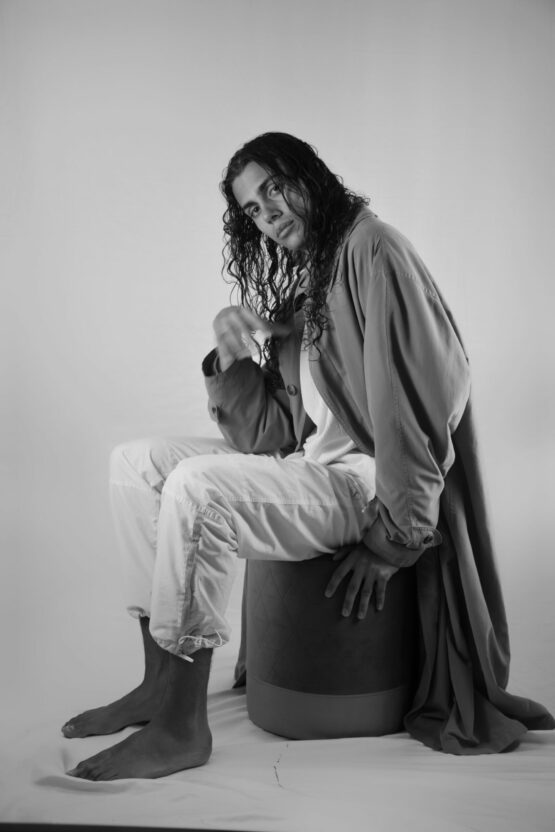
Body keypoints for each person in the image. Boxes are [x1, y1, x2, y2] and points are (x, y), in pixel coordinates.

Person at [62, 132, 554, 780]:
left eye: (274, 188)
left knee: (197, 488)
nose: (267, 213)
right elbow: (272, 436)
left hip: (365, 483)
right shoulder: (314, 273)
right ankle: (158, 685)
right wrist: (231, 358)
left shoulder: (374, 250)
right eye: (252, 208)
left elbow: (420, 405)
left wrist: (394, 542)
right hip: (311, 467)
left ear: (309, 175)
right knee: (134, 464)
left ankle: (181, 728)